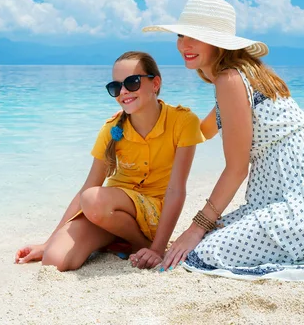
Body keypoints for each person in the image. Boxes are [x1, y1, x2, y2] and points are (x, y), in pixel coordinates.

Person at [132, 0, 304, 280]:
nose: (184, 45)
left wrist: (196, 226)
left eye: (196, 37)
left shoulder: (230, 80)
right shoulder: (243, 74)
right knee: (214, 232)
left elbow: (236, 170)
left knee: (202, 252)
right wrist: (148, 121)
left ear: (218, 42)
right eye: (182, 35)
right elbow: (201, 131)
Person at [14, 51, 205, 271]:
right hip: (108, 212)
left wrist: (158, 248)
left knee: (93, 200)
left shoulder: (183, 121)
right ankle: (117, 239)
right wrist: (47, 243)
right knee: (54, 259)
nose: (123, 91)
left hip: (152, 215)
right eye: (116, 87)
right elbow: (89, 185)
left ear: (155, 83)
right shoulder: (112, 128)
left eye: (132, 82)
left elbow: (176, 190)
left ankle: (142, 245)